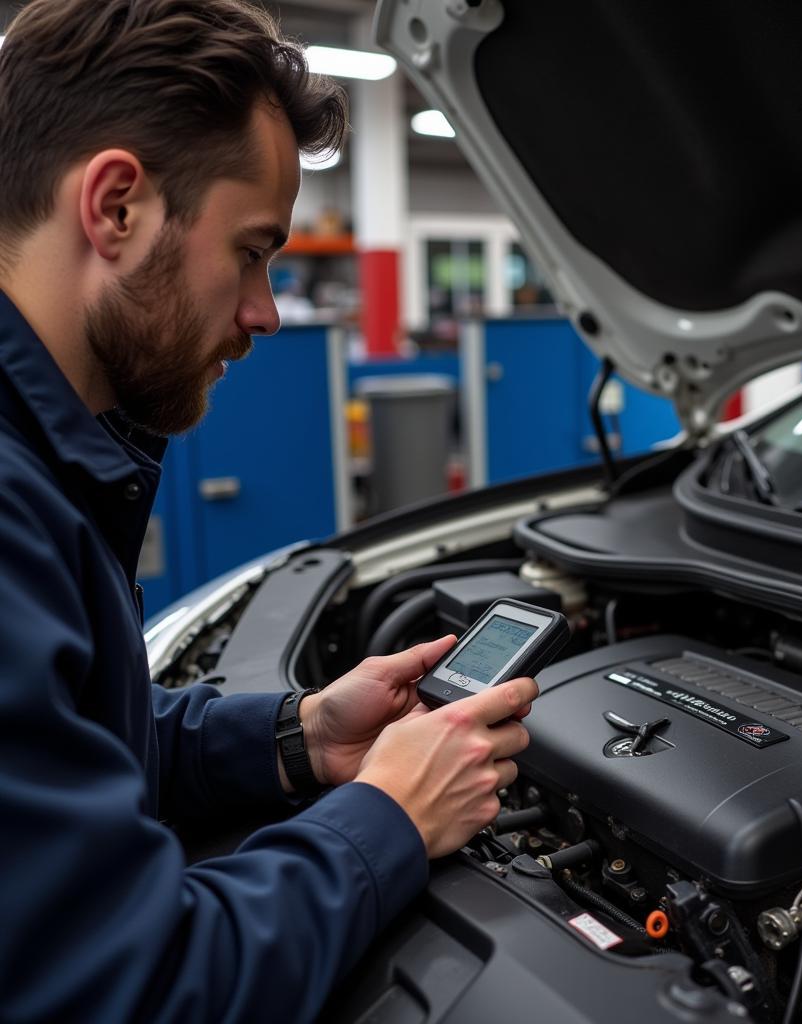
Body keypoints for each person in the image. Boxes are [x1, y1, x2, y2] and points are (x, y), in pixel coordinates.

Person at [0, 1, 538, 1020]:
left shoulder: (40, 460)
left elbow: (72, 750)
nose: (266, 312)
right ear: (115, 207)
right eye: (251, 251)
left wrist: (297, 737)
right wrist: (389, 813)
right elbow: (131, 987)